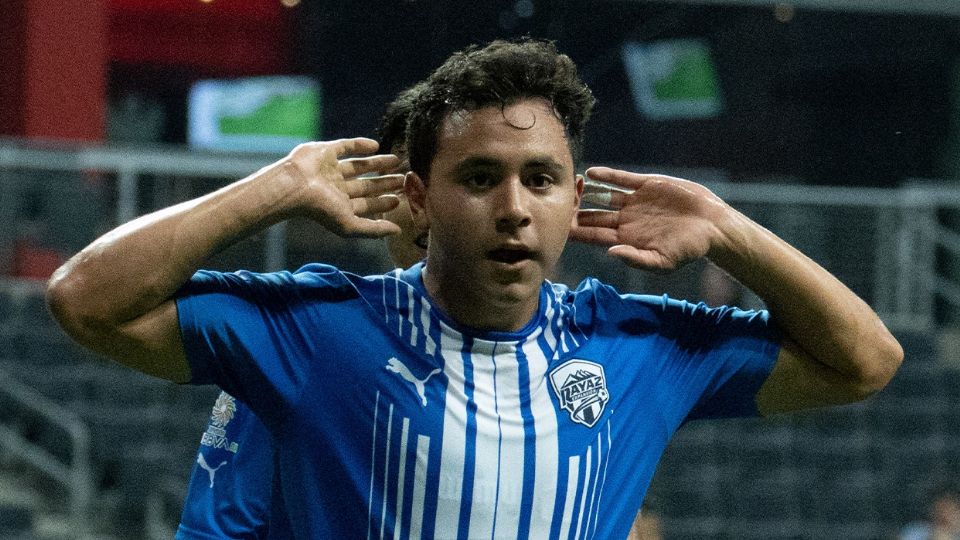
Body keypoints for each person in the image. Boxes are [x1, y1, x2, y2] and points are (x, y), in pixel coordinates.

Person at [46, 39, 903, 538]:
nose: (512, 210)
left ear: (575, 200)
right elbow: (84, 298)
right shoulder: (318, 334)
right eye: (480, 177)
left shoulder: (638, 345)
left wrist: (728, 227)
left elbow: (865, 361)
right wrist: (273, 185)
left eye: (540, 180)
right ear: (417, 200)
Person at [175, 84, 428, 539]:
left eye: (472, 179)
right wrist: (281, 186)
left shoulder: (579, 341)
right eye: (407, 180)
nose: (426, 205)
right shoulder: (313, 335)